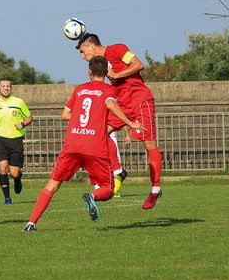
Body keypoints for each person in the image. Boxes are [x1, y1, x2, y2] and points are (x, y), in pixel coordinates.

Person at [22, 56, 144, 231]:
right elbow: (110, 105)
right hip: (94, 146)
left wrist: (82, 120)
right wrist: (131, 123)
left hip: (73, 144)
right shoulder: (109, 90)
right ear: (107, 72)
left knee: (52, 185)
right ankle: (92, 196)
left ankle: (31, 223)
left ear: (89, 72)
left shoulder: (80, 90)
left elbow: (65, 115)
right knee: (108, 189)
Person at [76, 33, 163, 209]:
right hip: (121, 103)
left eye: (83, 52)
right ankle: (118, 170)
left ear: (92, 46)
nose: (83, 57)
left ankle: (155, 189)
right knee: (100, 132)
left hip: (139, 100)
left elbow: (139, 65)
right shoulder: (100, 63)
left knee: (149, 144)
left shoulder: (118, 48)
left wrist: (117, 74)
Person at [0, 78, 33, 204]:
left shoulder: (18, 102)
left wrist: (22, 123)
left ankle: (17, 179)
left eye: (8, 86)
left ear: (11, 88)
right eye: (3, 86)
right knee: (2, 168)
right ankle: (7, 198)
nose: (6, 88)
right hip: (1, 140)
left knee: (14, 172)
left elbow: (29, 117)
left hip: (16, 140)